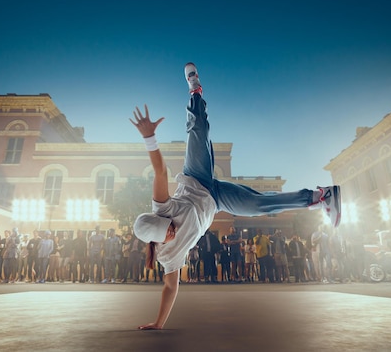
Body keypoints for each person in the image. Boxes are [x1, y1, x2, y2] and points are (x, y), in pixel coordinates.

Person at [130, 63, 341, 330]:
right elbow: (170, 288)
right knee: (260, 205)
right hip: (217, 200)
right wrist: (158, 323)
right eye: (169, 232)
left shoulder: (160, 207)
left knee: (197, 132)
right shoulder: (168, 256)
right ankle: (321, 196)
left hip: (196, 177)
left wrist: (149, 138)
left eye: (169, 225)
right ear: (157, 241)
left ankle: (195, 91)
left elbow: (160, 171)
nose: (172, 230)